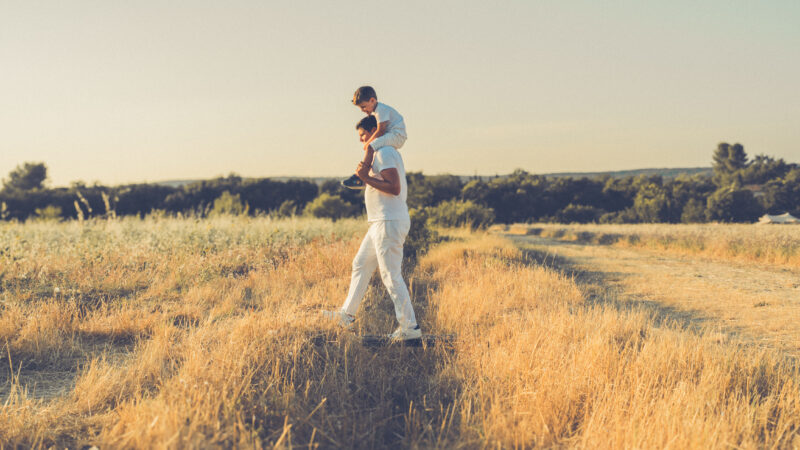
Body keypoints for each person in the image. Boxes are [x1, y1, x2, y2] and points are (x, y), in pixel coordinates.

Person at [326, 115, 421, 340]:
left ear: (374, 133)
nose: (361, 142)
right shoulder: (380, 153)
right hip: (380, 221)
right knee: (360, 264)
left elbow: (394, 187)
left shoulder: (384, 152)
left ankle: (409, 329)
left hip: (388, 222)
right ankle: (346, 315)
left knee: (390, 275)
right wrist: (363, 178)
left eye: (362, 136)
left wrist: (365, 179)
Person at [341, 86, 407, 190]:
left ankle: (361, 176)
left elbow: (380, 130)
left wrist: (368, 144)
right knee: (371, 147)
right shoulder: (378, 110)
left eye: (363, 107)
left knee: (370, 147)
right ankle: (362, 175)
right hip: (395, 135)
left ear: (372, 100)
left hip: (397, 135)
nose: (363, 110)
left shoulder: (381, 110)